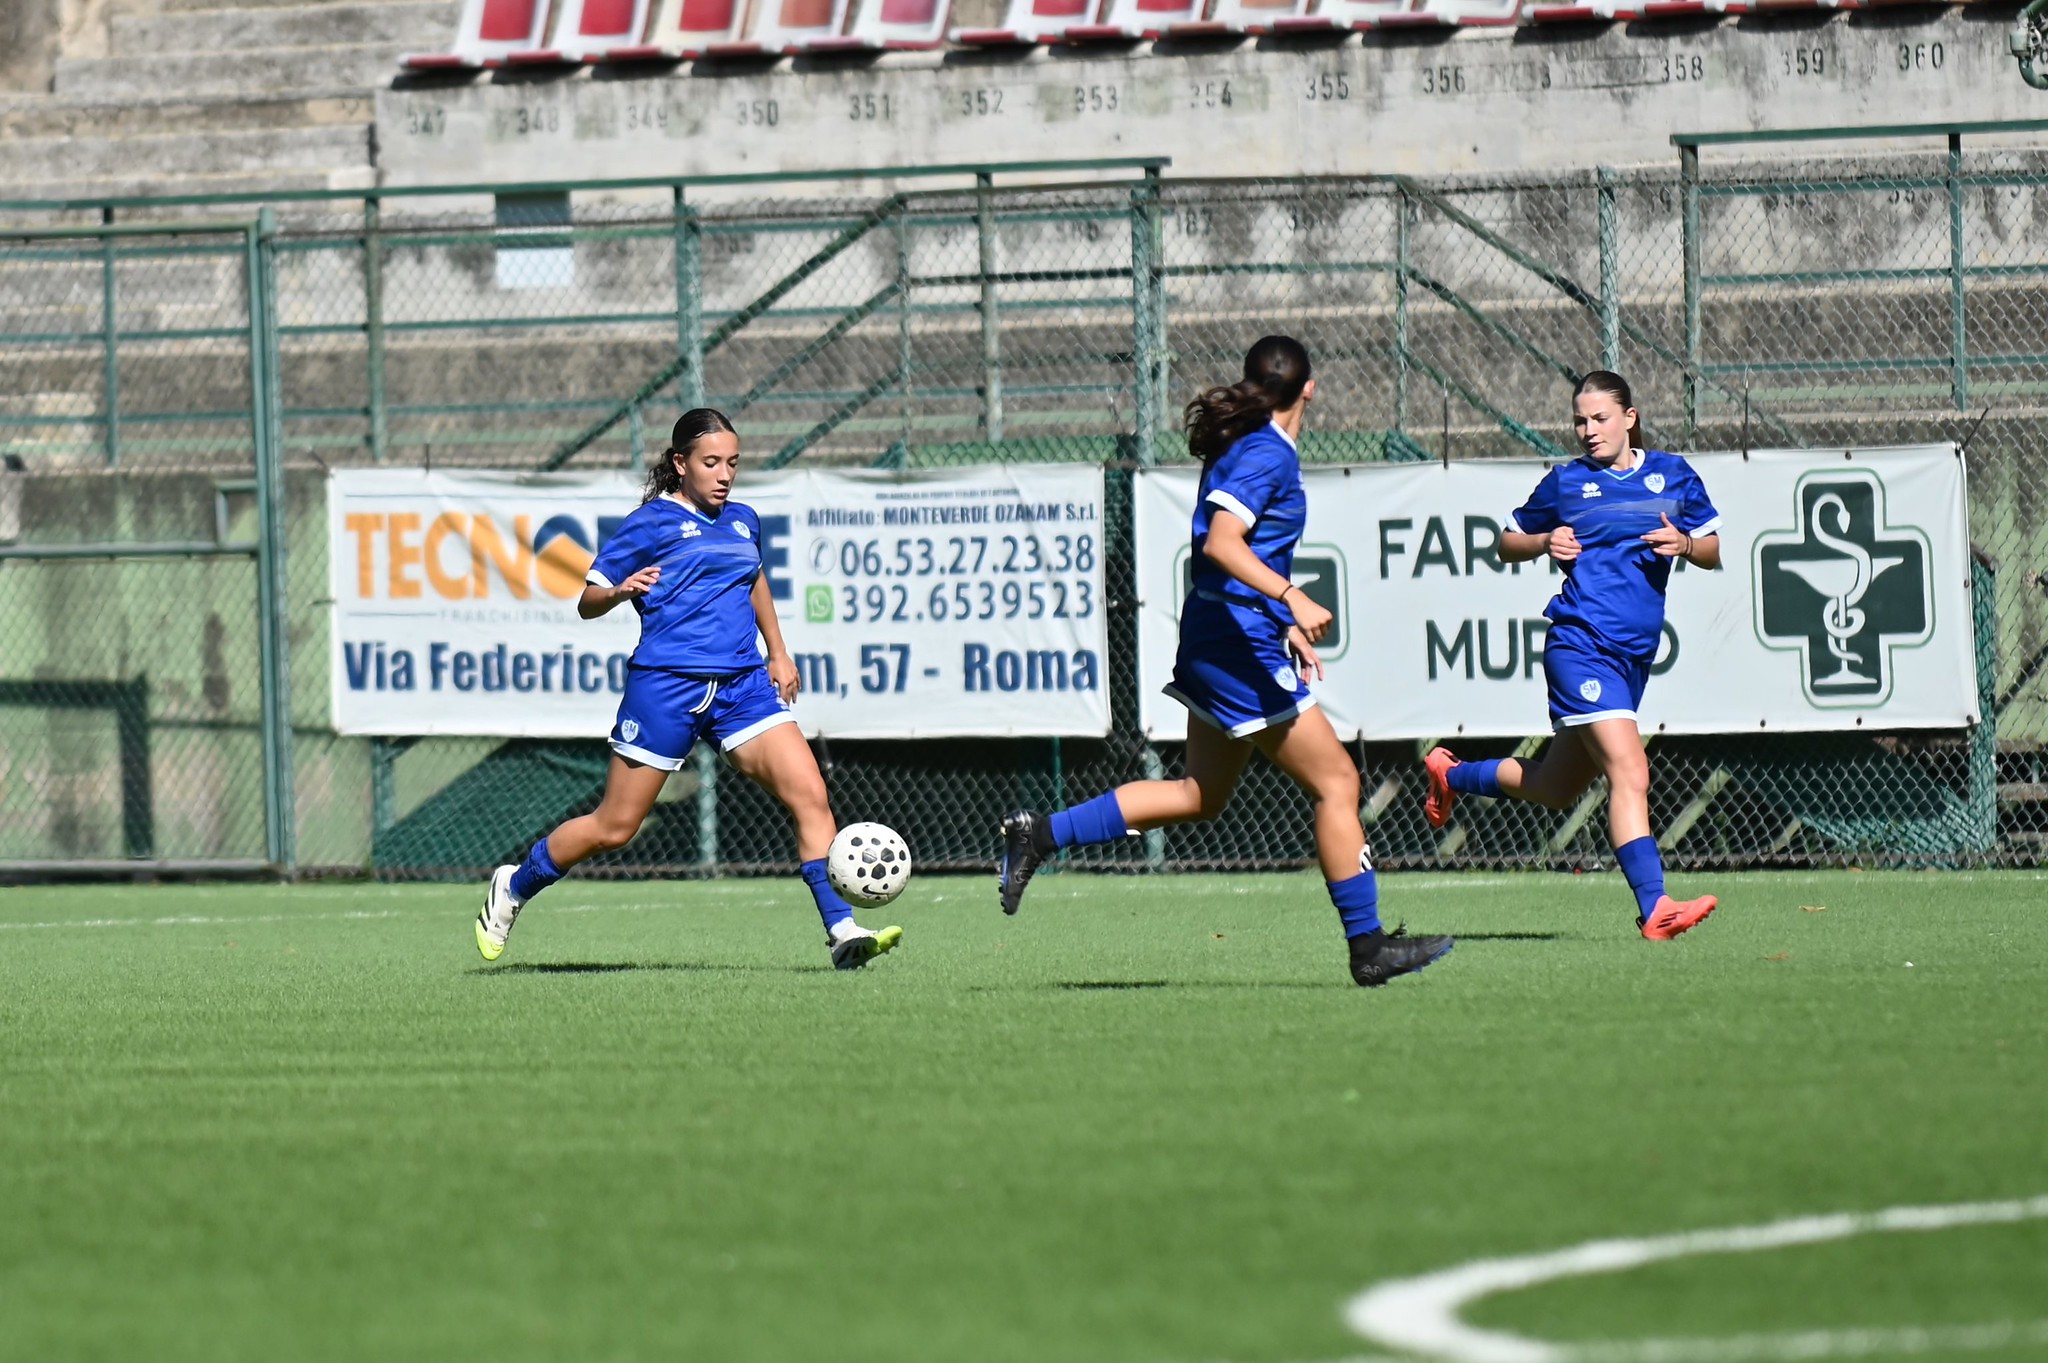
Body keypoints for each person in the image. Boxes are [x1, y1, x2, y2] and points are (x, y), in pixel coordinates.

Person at [996, 337, 1453, 988]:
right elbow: (1222, 543)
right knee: (1337, 784)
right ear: (1310, 387)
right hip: (1237, 647)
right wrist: (1290, 598)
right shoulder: (1266, 451)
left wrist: (1278, 619)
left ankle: (1040, 833)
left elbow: (1235, 553)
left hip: (1223, 632)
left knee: (1200, 794)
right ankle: (1368, 947)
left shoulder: (1245, 442)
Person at [475, 409, 903, 970]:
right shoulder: (651, 523)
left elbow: (753, 578)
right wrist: (620, 591)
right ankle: (514, 886)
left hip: (742, 686)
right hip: (666, 688)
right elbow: (587, 601)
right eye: (711, 462)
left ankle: (842, 931)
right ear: (681, 464)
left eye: (733, 463)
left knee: (810, 794)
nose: (724, 475)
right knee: (615, 827)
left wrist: (778, 650)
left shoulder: (743, 520)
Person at [1422, 370, 1721, 940]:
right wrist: (1543, 542)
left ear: (1629, 418)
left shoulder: (1673, 474)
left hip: (1632, 658)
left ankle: (1451, 773)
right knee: (1630, 771)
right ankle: (1655, 908)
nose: (1588, 430)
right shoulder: (1567, 482)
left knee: (1555, 788)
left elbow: (1712, 549)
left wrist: (1685, 544)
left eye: (1600, 418)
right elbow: (1506, 541)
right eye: (1580, 421)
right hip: (1581, 645)